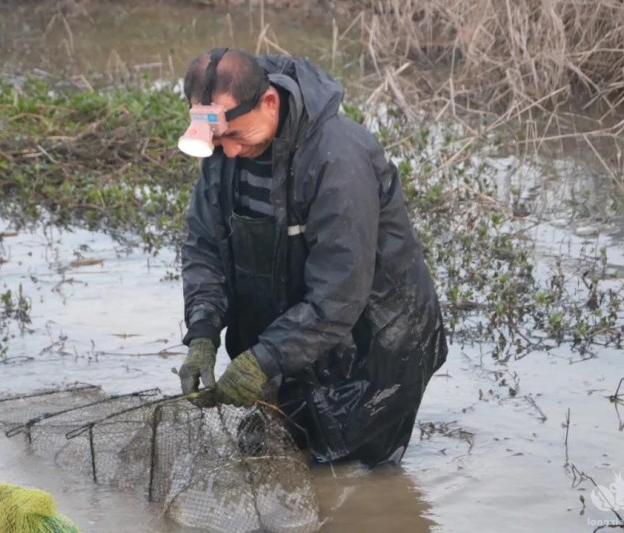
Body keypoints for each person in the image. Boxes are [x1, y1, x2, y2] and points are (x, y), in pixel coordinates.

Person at [176, 47, 447, 467]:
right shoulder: (223, 150)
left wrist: (264, 360)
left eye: (235, 137)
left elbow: (339, 292)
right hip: (299, 333)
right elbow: (205, 246)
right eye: (217, 140)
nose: (227, 153)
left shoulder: (337, 159)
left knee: (356, 481)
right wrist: (203, 332)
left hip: (375, 342)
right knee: (268, 457)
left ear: (269, 102)